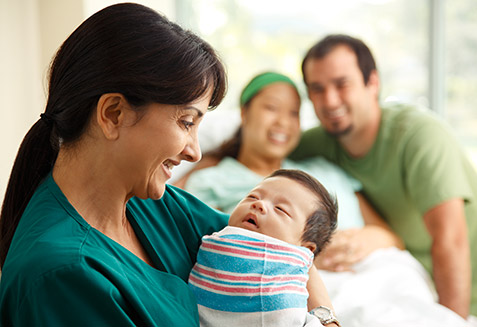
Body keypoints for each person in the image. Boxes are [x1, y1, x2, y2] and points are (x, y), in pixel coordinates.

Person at [0, 3, 231, 326]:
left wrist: (324, 320)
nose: (194, 152)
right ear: (113, 114)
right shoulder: (60, 276)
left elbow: (280, 251)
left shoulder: (152, 204)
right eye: (187, 122)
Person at [290, 34, 477, 320]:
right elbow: (257, 147)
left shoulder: (419, 136)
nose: (330, 100)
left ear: (373, 82)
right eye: (317, 89)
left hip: (475, 297)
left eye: (342, 84)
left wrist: (452, 321)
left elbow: (450, 238)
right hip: (414, 289)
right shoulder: (319, 143)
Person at [180, 71, 404, 271]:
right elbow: (208, 253)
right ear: (244, 112)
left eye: (294, 113)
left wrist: (365, 241)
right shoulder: (213, 181)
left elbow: (393, 237)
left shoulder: (325, 171)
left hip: (381, 277)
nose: (283, 123)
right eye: (271, 108)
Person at [189, 169, 340, 327]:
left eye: (280, 209)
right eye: (252, 197)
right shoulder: (217, 234)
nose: (258, 204)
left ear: (305, 249)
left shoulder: (296, 262)